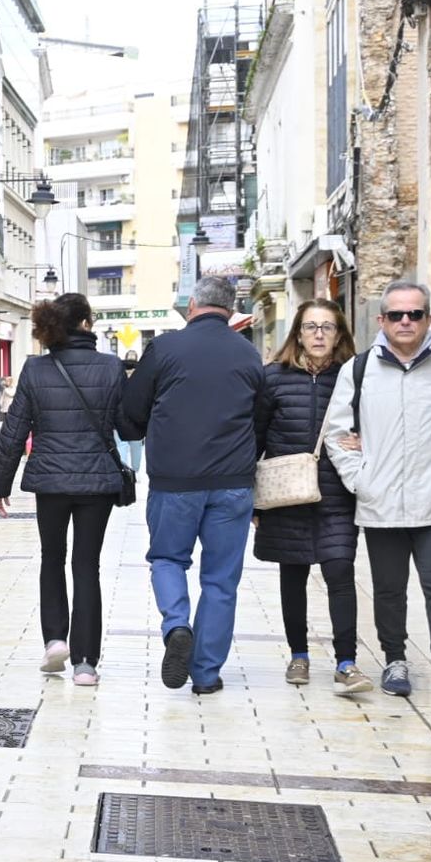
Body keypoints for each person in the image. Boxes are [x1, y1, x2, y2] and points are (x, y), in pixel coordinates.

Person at [324, 280, 431, 710]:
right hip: (380, 503)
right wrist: (361, 479)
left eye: (414, 314)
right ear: (382, 320)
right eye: (396, 314)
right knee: (389, 588)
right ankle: (395, 661)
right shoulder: (358, 370)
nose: (405, 321)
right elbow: (337, 432)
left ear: (427, 319)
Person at [119, 275, 265, 696]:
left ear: (192, 304)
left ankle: (177, 626)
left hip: (175, 481)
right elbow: (261, 419)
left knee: (167, 559)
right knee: (221, 581)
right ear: (232, 308)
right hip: (233, 483)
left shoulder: (165, 348)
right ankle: (205, 674)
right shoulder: (249, 354)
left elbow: (131, 408)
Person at [0, 294, 124, 686]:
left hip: (50, 481)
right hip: (96, 483)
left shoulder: (35, 369)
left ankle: (53, 641)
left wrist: (0, 483)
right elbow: (128, 425)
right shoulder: (111, 367)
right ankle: (85, 663)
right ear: (84, 324)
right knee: (87, 566)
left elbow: (14, 430)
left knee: (52, 558)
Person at [253, 299, 369, 695]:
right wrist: (252, 500)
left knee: (340, 572)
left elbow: (376, 427)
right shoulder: (273, 378)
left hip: (338, 494)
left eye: (327, 327)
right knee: (293, 576)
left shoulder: (355, 378)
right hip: (287, 493)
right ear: (298, 333)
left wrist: (364, 442)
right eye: (310, 327)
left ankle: (346, 662)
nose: (319, 334)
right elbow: (256, 437)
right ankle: (298, 654)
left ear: (339, 335)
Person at [115, 351, 143, 474]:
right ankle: (125, 471)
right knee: (123, 445)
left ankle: (133, 471)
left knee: (134, 446)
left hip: (134, 420)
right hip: (121, 419)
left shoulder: (140, 381)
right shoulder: (120, 380)